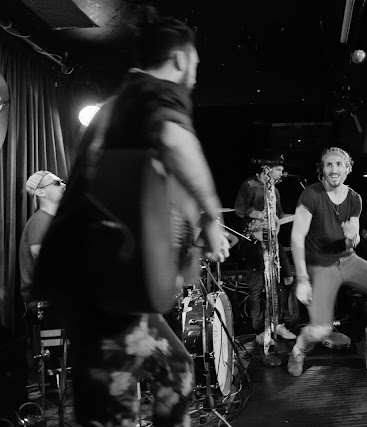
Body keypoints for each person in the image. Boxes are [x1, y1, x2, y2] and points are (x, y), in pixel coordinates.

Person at [32, 9, 229, 426]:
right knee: (111, 413)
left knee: (176, 370)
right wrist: (212, 217)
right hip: (101, 291)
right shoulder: (153, 91)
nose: (194, 73)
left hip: (105, 286)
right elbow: (176, 141)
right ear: (180, 60)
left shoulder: (121, 105)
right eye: (195, 62)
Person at [287, 147, 367, 376]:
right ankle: (298, 349)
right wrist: (302, 279)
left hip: (347, 259)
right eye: (329, 164)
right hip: (319, 265)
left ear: (347, 169)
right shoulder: (311, 195)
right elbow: (297, 237)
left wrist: (352, 237)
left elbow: (352, 241)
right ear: (322, 170)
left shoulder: (355, 199)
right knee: (319, 331)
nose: (334, 169)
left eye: (339, 164)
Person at [234, 153, 296, 345]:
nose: (282, 173)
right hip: (254, 242)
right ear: (266, 169)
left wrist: (296, 216)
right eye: (278, 169)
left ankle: (278, 324)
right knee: (257, 288)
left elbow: (279, 215)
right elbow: (239, 209)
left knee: (283, 280)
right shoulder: (249, 185)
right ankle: (259, 329)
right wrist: (263, 215)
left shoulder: (275, 191)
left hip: (272, 241)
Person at [19, 171, 66, 305]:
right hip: (46, 301)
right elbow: (47, 263)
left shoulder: (53, 221)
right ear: (40, 192)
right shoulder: (40, 221)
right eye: (57, 183)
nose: (63, 185)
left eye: (62, 181)